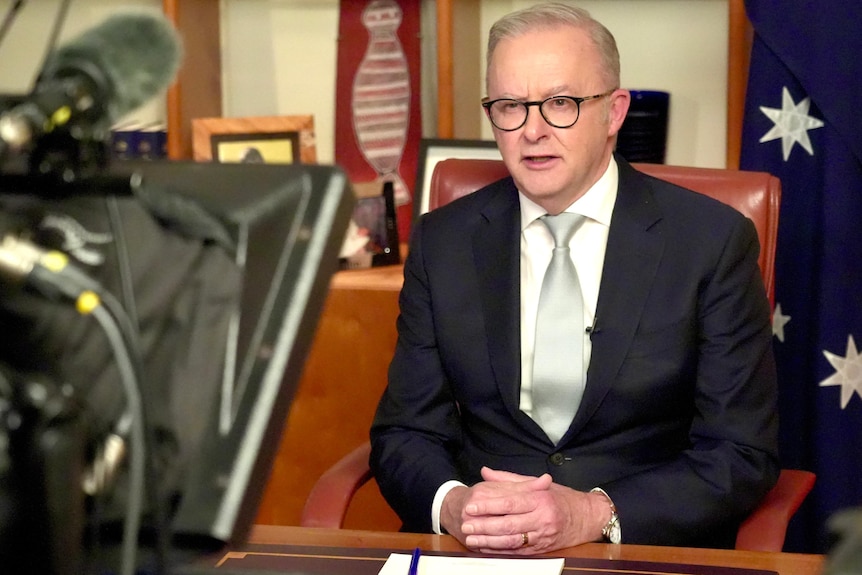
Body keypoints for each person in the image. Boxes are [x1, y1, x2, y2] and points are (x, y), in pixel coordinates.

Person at [369, 2, 779, 554]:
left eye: (560, 103)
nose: (532, 131)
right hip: (481, 548)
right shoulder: (443, 242)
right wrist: (454, 505)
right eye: (510, 106)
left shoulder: (711, 242)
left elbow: (741, 452)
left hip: (640, 545)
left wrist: (592, 514)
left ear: (614, 112)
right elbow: (405, 432)